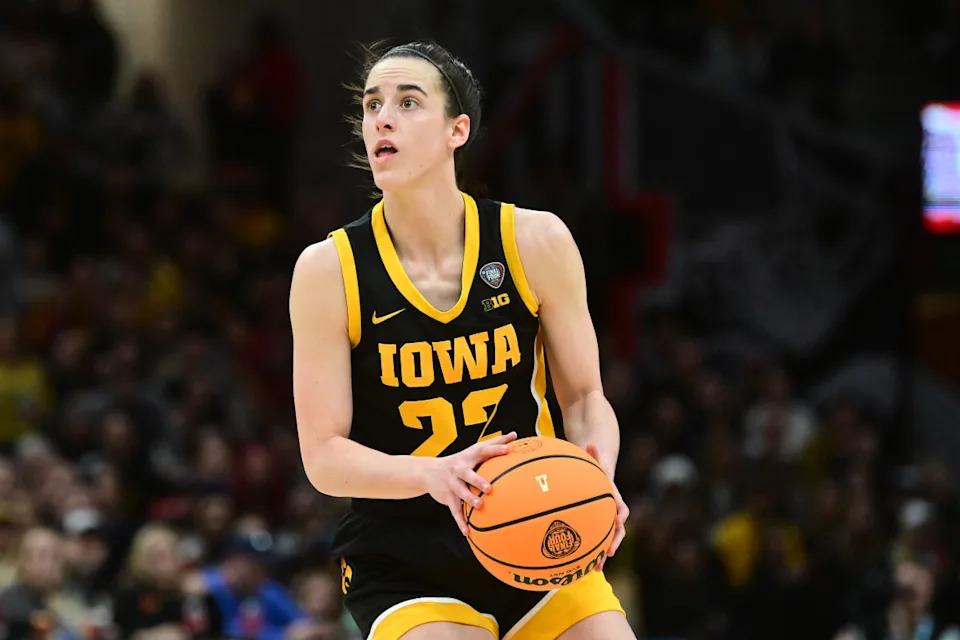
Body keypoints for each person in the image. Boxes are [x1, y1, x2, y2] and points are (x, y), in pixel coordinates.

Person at [289, 40, 634, 640]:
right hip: (404, 556)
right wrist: (432, 474)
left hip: (535, 520)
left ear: (458, 130)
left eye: (408, 102)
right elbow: (323, 457)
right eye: (372, 105)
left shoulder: (534, 241)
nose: (382, 118)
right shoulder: (328, 271)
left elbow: (582, 398)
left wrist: (597, 472)